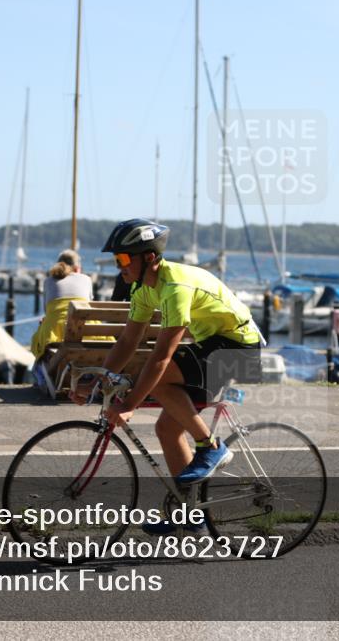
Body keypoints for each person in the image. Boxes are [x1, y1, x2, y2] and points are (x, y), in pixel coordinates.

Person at [72, 218, 262, 535]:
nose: (119, 266)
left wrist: (129, 404)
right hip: (213, 345)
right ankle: (191, 514)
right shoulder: (144, 289)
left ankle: (211, 447)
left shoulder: (175, 286)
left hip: (238, 348)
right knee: (167, 429)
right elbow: (128, 342)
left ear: (148, 257)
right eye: (115, 260)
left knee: (158, 377)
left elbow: (161, 357)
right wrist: (100, 381)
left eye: (122, 258)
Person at [30, 250, 93, 389]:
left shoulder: (48, 281)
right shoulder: (86, 279)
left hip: (56, 334)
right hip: (87, 332)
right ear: (77, 268)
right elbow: (89, 304)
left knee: (42, 334)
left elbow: (47, 311)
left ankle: (47, 376)